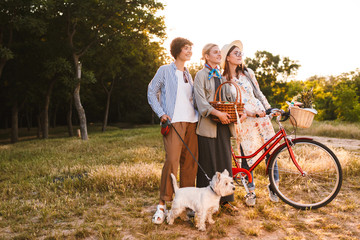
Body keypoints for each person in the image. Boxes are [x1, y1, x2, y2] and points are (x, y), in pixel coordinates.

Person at [221, 40, 279, 206]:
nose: (240, 55)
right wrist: (247, 112)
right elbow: (229, 103)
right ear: (228, 58)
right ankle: (250, 192)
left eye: (241, 53)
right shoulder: (224, 78)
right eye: (236, 53)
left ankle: (274, 187)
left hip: (261, 115)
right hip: (244, 118)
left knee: (271, 149)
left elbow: (258, 93)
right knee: (248, 153)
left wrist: (269, 109)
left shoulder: (248, 73)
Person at [147, 37, 199, 224]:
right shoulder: (164, 70)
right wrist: (161, 113)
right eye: (186, 48)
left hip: (192, 122)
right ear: (177, 51)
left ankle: (186, 205)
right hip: (173, 122)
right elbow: (151, 91)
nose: (189, 51)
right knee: (171, 162)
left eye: (190, 48)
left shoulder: (188, 74)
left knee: (190, 165)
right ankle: (162, 204)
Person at [193, 43, 245, 213]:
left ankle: (225, 201)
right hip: (208, 127)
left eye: (218, 53)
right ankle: (204, 203)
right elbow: (201, 103)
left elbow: (229, 100)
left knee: (224, 163)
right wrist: (217, 113)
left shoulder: (222, 77)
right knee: (208, 164)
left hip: (223, 125)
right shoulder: (200, 76)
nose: (218, 55)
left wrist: (239, 113)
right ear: (206, 56)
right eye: (215, 52)